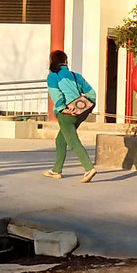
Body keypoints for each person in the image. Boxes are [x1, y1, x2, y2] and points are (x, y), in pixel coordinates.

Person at [43, 50, 98, 182]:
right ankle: (56, 170)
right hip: (80, 113)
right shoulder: (76, 76)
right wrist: (87, 107)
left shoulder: (53, 76)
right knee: (60, 140)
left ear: (52, 61)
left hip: (66, 114)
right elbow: (91, 93)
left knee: (72, 141)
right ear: (66, 61)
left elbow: (56, 94)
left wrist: (62, 108)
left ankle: (89, 168)